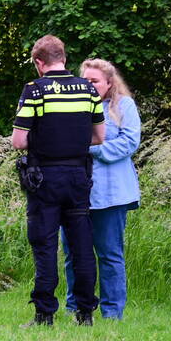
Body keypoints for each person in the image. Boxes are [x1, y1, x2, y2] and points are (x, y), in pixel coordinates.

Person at [12, 35, 105, 327]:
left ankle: (44, 313)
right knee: (81, 245)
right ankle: (86, 313)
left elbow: (18, 141)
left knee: (45, 245)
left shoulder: (35, 90)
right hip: (79, 176)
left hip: (45, 178)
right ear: (64, 57)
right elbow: (99, 137)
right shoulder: (87, 90)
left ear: (39, 62)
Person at [60, 59, 141, 320]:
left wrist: (90, 149)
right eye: (85, 80)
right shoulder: (75, 105)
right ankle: (76, 307)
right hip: (75, 191)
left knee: (109, 254)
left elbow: (129, 142)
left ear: (109, 83)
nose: (89, 85)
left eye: (94, 81)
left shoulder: (123, 106)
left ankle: (112, 312)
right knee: (73, 253)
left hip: (112, 194)